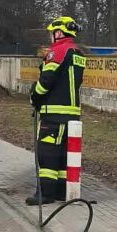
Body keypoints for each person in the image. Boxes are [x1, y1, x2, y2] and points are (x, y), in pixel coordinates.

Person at [28, 16, 85, 205]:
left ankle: (45, 194)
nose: (51, 37)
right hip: (72, 115)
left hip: (53, 115)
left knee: (48, 154)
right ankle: (62, 191)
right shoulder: (78, 53)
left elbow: (47, 81)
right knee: (63, 156)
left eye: (52, 33)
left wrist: (34, 96)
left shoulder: (57, 52)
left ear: (59, 32)